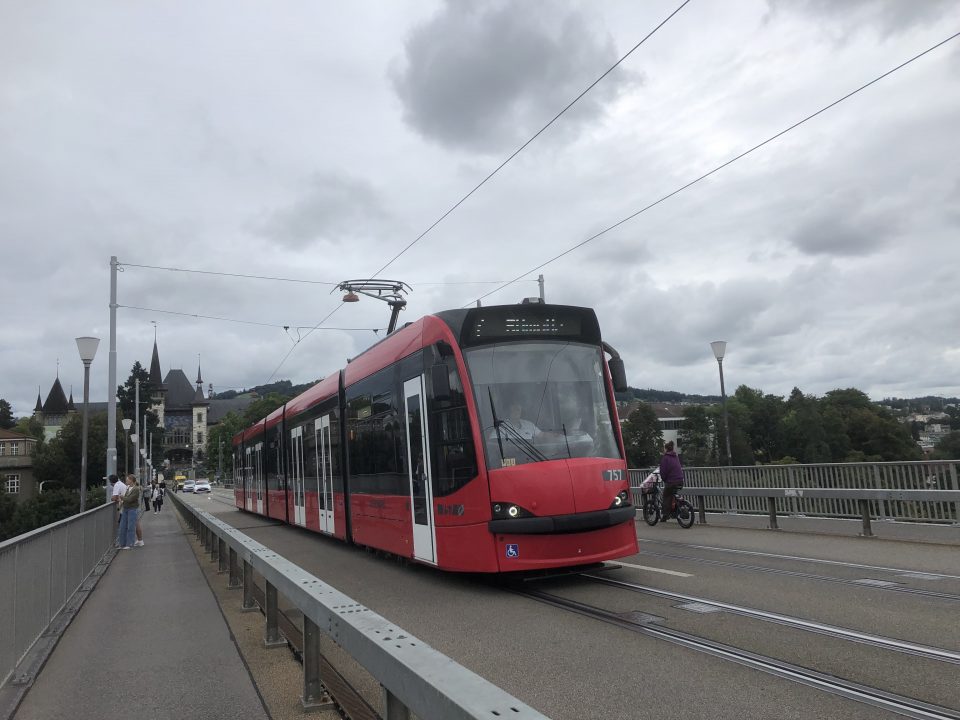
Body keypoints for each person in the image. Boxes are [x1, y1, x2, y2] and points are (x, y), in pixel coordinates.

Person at [658, 441, 684, 519]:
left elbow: (663, 472)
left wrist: (664, 479)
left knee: (666, 496)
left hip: (672, 481)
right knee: (672, 495)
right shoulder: (675, 456)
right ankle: (674, 510)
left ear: (666, 449)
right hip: (680, 480)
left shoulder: (665, 458)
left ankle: (666, 515)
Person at [118, 474, 141, 549]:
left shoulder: (136, 489)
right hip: (125, 508)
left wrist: (122, 497)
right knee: (122, 526)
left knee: (130, 527)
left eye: (127, 480)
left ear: (131, 480)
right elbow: (127, 498)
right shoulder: (128, 488)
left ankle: (130, 543)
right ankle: (122, 543)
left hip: (132, 509)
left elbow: (130, 499)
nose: (126, 481)